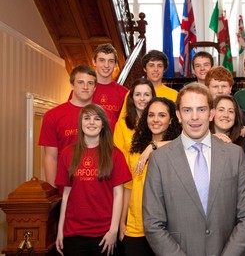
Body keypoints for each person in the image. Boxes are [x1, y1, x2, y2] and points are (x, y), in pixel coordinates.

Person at [142, 83, 245, 256]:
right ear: (178, 115)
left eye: (201, 110)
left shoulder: (235, 155)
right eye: (187, 110)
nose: (194, 117)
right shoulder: (160, 159)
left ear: (211, 114)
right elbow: (152, 223)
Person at [55, 104, 131, 256]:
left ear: (103, 124)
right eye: (87, 118)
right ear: (80, 122)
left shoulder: (115, 154)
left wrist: (113, 230)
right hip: (73, 233)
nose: (91, 122)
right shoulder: (67, 153)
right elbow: (66, 194)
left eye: (97, 119)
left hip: (104, 233)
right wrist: (60, 231)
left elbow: (118, 194)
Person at [119, 97, 181, 256]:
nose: (155, 120)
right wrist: (121, 222)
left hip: (167, 228)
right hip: (136, 226)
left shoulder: (178, 150)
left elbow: (189, 142)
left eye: (162, 115)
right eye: (151, 115)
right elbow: (128, 187)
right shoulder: (136, 149)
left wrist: (153, 147)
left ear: (171, 120)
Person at [39, 65, 116, 187]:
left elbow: (111, 153)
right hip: (65, 187)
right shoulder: (52, 115)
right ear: (71, 85)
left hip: (100, 187)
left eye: (90, 83)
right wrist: (53, 191)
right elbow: (51, 157)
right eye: (80, 82)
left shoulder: (107, 116)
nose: (85, 87)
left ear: (95, 87)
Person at [113, 78, 156, 160]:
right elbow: (117, 156)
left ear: (152, 97)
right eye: (138, 94)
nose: (142, 98)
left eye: (147, 94)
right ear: (132, 98)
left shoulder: (159, 122)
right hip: (128, 172)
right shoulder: (122, 124)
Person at [91, 43, 128, 119]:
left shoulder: (124, 93)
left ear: (115, 64)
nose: (106, 65)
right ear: (94, 62)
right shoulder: (82, 89)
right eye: (102, 60)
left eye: (111, 61)